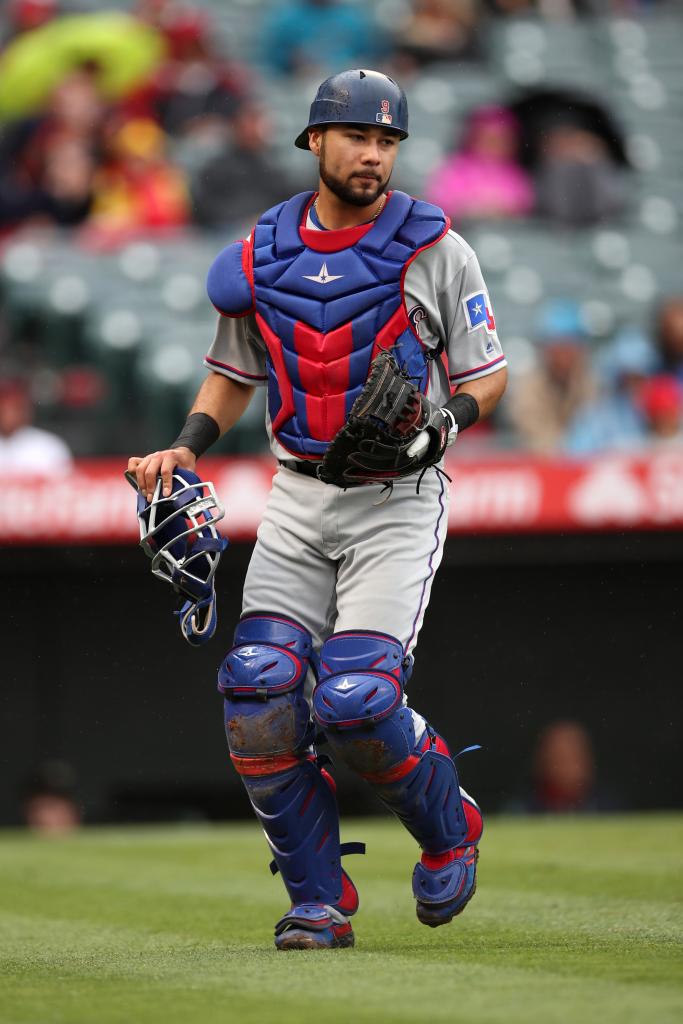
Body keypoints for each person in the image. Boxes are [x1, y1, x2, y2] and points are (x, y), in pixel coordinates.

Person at [128, 68, 507, 951]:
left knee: (355, 700)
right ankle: (316, 900)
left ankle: (451, 828)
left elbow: (486, 372)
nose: (373, 153)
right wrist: (187, 442)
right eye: (357, 137)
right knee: (256, 695)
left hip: (395, 499)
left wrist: (442, 425)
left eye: (387, 141)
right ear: (315, 143)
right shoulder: (260, 252)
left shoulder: (433, 245)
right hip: (297, 492)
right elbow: (233, 373)